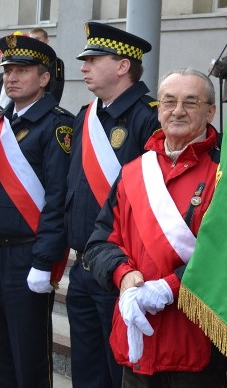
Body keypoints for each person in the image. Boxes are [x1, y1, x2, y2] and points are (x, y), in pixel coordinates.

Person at [85, 69, 227, 387]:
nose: (178, 110)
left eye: (191, 102)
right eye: (169, 101)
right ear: (159, 108)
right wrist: (123, 275)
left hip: (195, 344)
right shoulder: (134, 172)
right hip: (136, 342)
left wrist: (170, 287)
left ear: (210, 111)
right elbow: (98, 243)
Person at [0, 33, 74, 387]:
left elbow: (57, 200)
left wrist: (44, 260)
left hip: (24, 255)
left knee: (27, 358)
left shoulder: (57, 125)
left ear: (44, 78)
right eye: (8, 69)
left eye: (22, 70)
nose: (11, 77)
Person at [65, 22, 158, 388]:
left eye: (93, 59)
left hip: (124, 271)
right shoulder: (85, 116)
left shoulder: (148, 116)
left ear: (123, 66)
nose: (83, 66)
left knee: (121, 371)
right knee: (87, 372)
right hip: (84, 267)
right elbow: (70, 189)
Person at [29, 27, 65, 102]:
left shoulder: (57, 63)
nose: (34, 42)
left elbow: (55, 91)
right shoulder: (28, 61)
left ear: (47, 40)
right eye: (31, 40)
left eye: (37, 39)